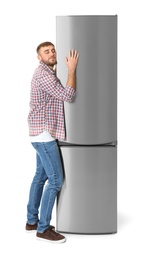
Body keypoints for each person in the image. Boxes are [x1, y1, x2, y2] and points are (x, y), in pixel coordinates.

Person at [26, 41, 79, 243]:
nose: (51, 53)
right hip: (44, 135)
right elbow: (68, 95)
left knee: (40, 177)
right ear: (39, 57)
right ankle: (43, 229)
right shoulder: (43, 75)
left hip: (40, 133)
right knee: (56, 180)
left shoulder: (47, 73)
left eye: (53, 50)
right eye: (46, 52)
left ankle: (31, 221)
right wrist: (72, 70)